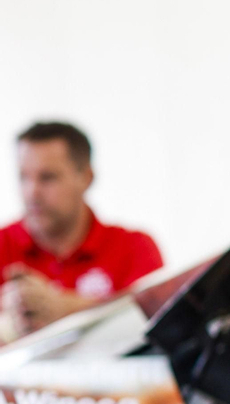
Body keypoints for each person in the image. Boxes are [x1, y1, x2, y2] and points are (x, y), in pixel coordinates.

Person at [0, 121, 163, 337]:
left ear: (86, 177)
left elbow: (156, 323)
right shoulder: (4, 245)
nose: (32, 192)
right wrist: (9, 325)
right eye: (23, 177)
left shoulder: (134, 247)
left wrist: (67, 309)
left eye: (48, 177)